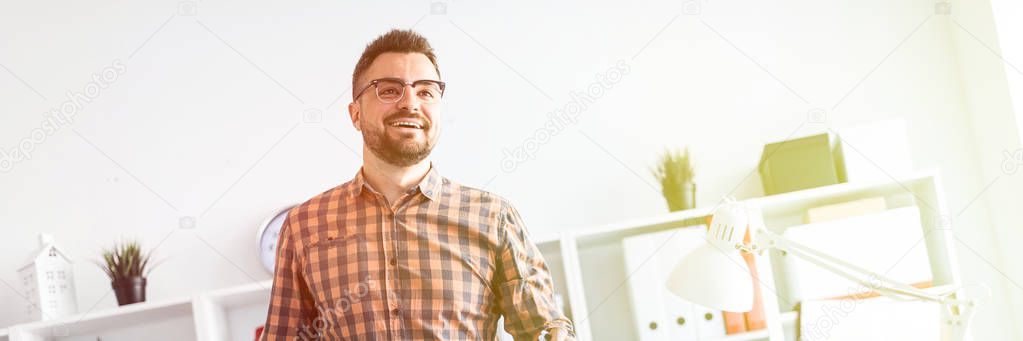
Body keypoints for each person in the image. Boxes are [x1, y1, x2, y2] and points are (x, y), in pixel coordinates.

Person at [261, 28, 575, 341]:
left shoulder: (493, 217)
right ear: (355, 114)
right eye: (388, 90)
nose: (410, 103)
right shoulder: (304, 226)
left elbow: (543, 327)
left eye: (425, 91)